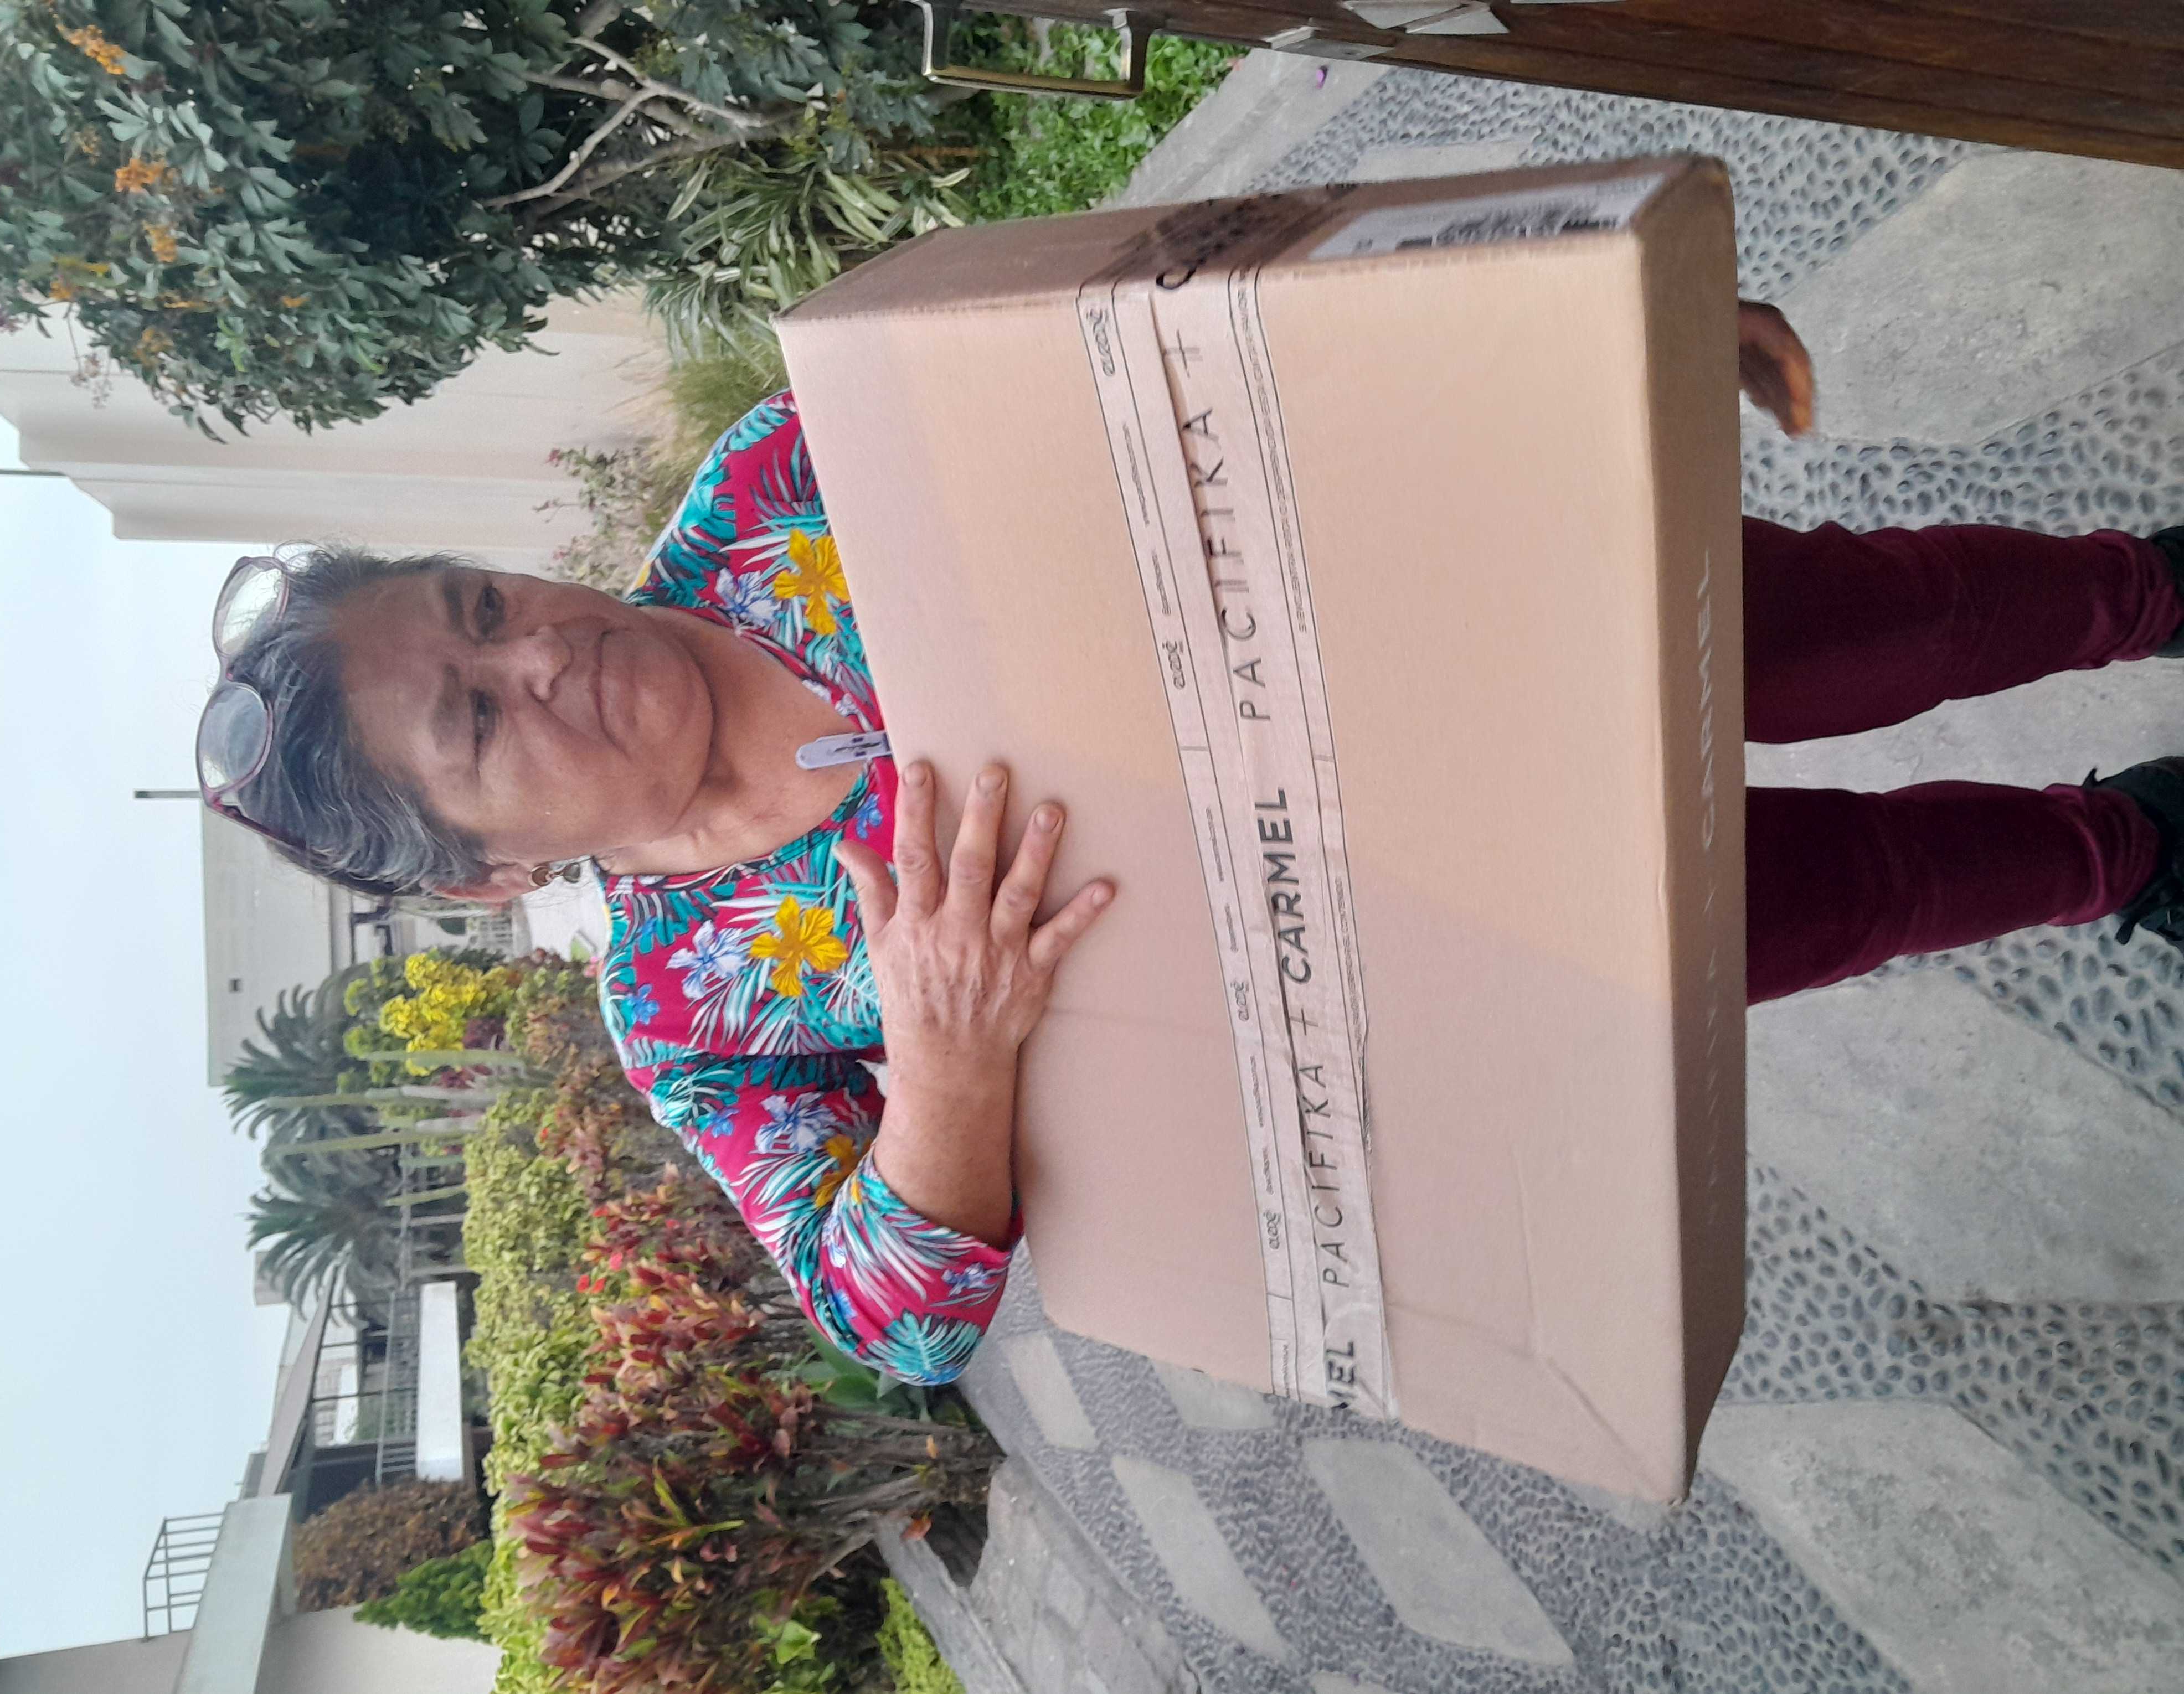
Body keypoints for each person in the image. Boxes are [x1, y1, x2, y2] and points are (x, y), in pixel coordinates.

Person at [195, 303, 2184, 1385]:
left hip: (1471, 602)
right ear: (479, 874)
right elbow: (890, 1319)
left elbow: (1187, 373)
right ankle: (2132, 850)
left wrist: (1585, 344)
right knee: (1857, 897)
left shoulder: (780, 481)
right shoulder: (687, 1007)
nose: (542, 652)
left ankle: (2150, 589)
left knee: (1890, 617)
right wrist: (945, 1065)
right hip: (1451, 935)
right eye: (478, 718)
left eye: (479, 606)